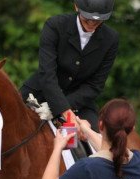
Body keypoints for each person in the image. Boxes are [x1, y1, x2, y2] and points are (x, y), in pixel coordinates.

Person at [20, 0, 119, 132]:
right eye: (87, 18)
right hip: (40, 94)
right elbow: (47, 73)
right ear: (76, 6)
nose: (91, 23)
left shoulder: (111, 38)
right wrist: (61, 108)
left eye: (97, 20)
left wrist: (59, 108)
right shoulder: (55, 25)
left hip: (78, 102)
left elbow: (95, 85)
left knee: (98, 139)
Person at [40, 99, 140, 179]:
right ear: (132, 129)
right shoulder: (139, 161)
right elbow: (111, 153)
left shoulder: (87, 169)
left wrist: (57, 148)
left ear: (100, 125)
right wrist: (87, 131)